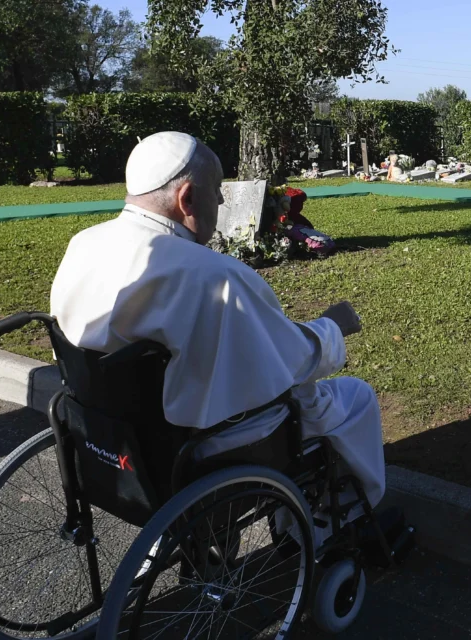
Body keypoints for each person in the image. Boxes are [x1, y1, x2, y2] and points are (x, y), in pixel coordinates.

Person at [49, 131, 386, 520]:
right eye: (217, 188)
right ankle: (341, 519)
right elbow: (288, 362)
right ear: (187, 197)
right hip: (204, 448)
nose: (223, 199)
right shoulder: (215, 276)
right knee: (354, 397)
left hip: (113, 438)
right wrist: (330, 328)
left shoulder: (83, 243)